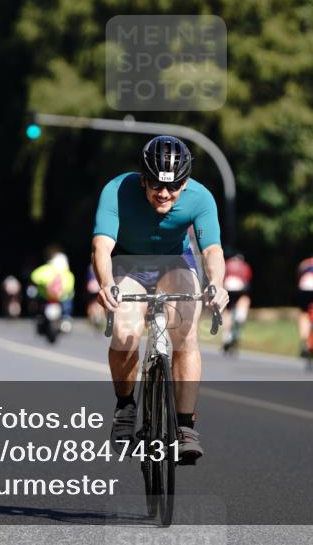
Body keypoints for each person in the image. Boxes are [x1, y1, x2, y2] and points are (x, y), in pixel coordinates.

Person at [92, 135, 229, 463]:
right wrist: (106, 282)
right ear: (143, 178)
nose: (164, 194)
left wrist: (218, 284)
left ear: (186, 182)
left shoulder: (201, 197)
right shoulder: (117, 191)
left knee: (185, 331)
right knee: (125, 332)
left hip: (174, 262)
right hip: (128, 264)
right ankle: (126, 407)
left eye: (174, 187)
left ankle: (185, 426)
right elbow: (101, 246)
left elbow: (211, 250)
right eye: (156, 186)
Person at [221, 253, 253, 354]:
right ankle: (241, 314)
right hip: (240, 288)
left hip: (227, 286)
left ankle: (226, 336)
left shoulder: (227, 264)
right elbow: (248, 279)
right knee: (244, 299)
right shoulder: (244, 265)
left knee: (227, 311)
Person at [29, 251, 76, 319]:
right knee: (32, 292)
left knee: (69, 297)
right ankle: (38, 315)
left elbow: (69, 288)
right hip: (44, 296)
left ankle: (66, 318)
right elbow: (34, 276)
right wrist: (45, 283)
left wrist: (60, 292)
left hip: (60, 298)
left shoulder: (68, 275)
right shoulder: (46, 270)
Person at [85, 265, 106, 330]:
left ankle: (93, 317)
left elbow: (88, 278)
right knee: (100, 303)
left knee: (92, 302)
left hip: (91, 287)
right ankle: (99, 317)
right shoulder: (103, 265)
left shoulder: (90, 267)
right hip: (98, 286)